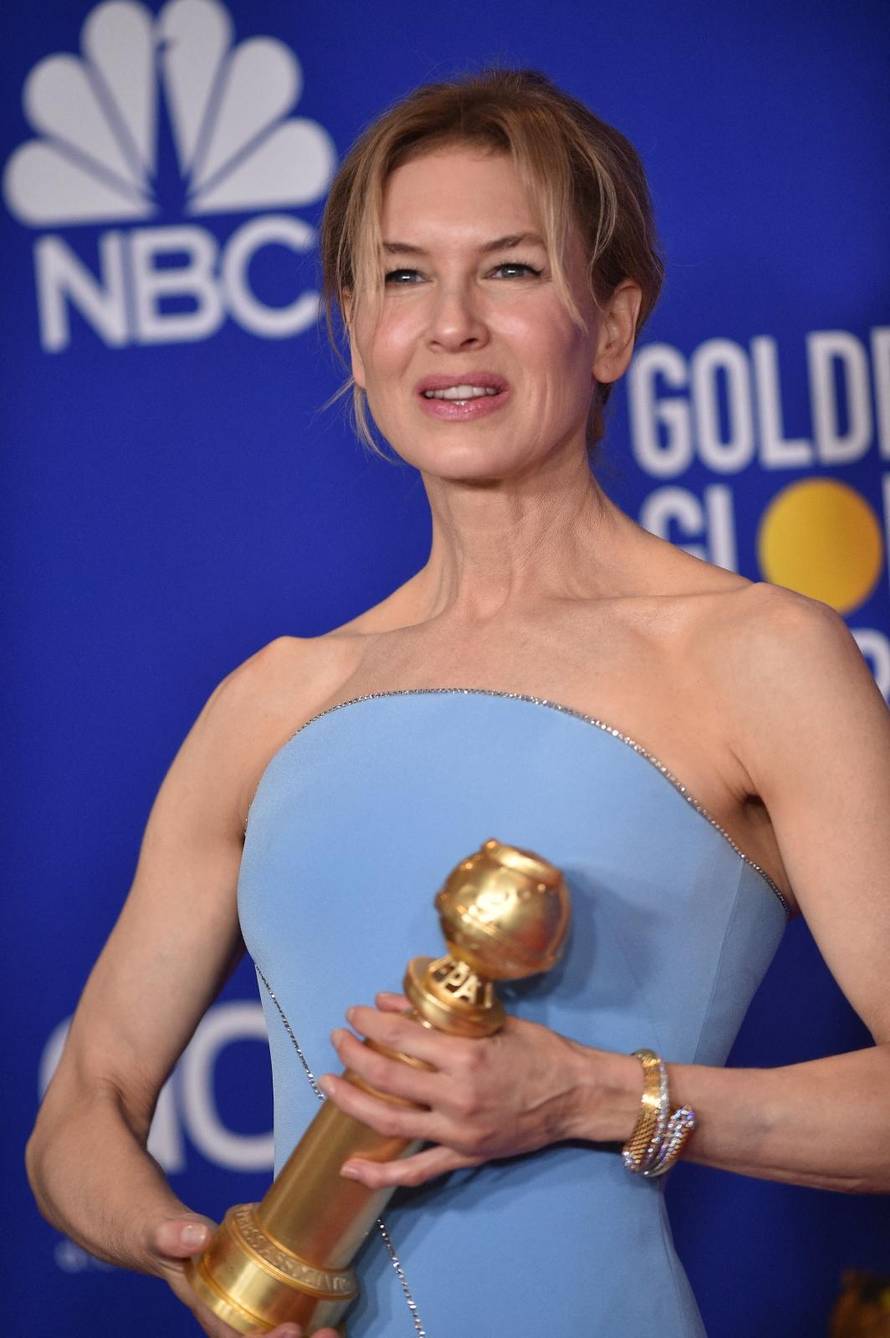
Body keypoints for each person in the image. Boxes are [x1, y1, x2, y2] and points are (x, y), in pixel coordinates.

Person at [26, 67, 890, 1338]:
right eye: (402, 276)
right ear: (355, 327)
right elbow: (82, 1103)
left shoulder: (753, 656)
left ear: (610, 325)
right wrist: (180, 1248)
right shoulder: (275, 697)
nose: (450, 327)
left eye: (511, 270)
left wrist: (595, 1097)